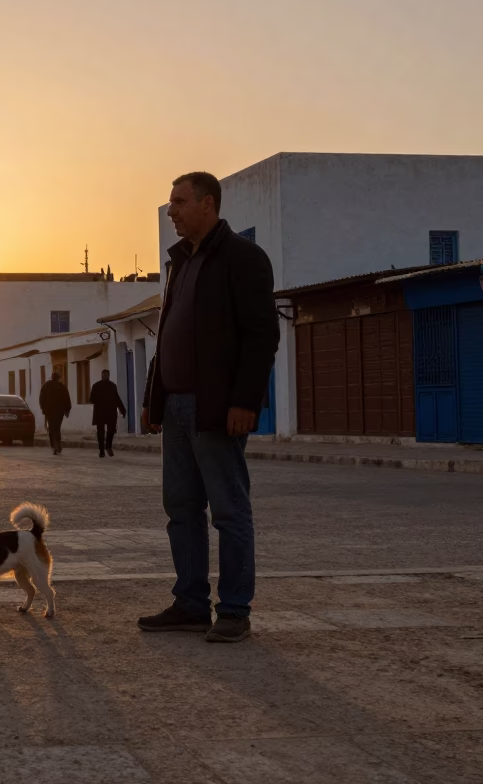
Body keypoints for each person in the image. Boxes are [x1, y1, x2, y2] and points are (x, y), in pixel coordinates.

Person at [138, 171, 279, 644]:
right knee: (180, 507)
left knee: (228, 510)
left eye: (179, 201)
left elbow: (262, 336)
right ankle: (191, 604)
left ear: (208, 204)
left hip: (216, 407)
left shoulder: (243, 257)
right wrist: (155, 400)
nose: (172, 210)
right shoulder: (180, 262)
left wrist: (244, 400)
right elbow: (169, 336)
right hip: (177, 406)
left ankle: (235, 610)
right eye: (170, 201)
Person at [89, 369, 126, 458]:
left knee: (105, 431)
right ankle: (105, 447)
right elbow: (117, 399)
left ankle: (104, 449)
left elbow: (91, 399)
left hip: (101, 412)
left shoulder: (98, 386)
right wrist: (122, 410)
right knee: (108, 431)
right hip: (109, 412)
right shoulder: (110, 386)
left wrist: (122, 410)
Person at [38, 371, 71, 455]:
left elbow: (41, 398)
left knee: (52, 429)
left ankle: (55, 445)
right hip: (59, 412)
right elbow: (67, 399)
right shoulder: (62, 387)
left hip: (50, 411)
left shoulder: (46, 386)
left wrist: (43, 409)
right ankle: (57, 445)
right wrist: (67, 410)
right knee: (57, 428)